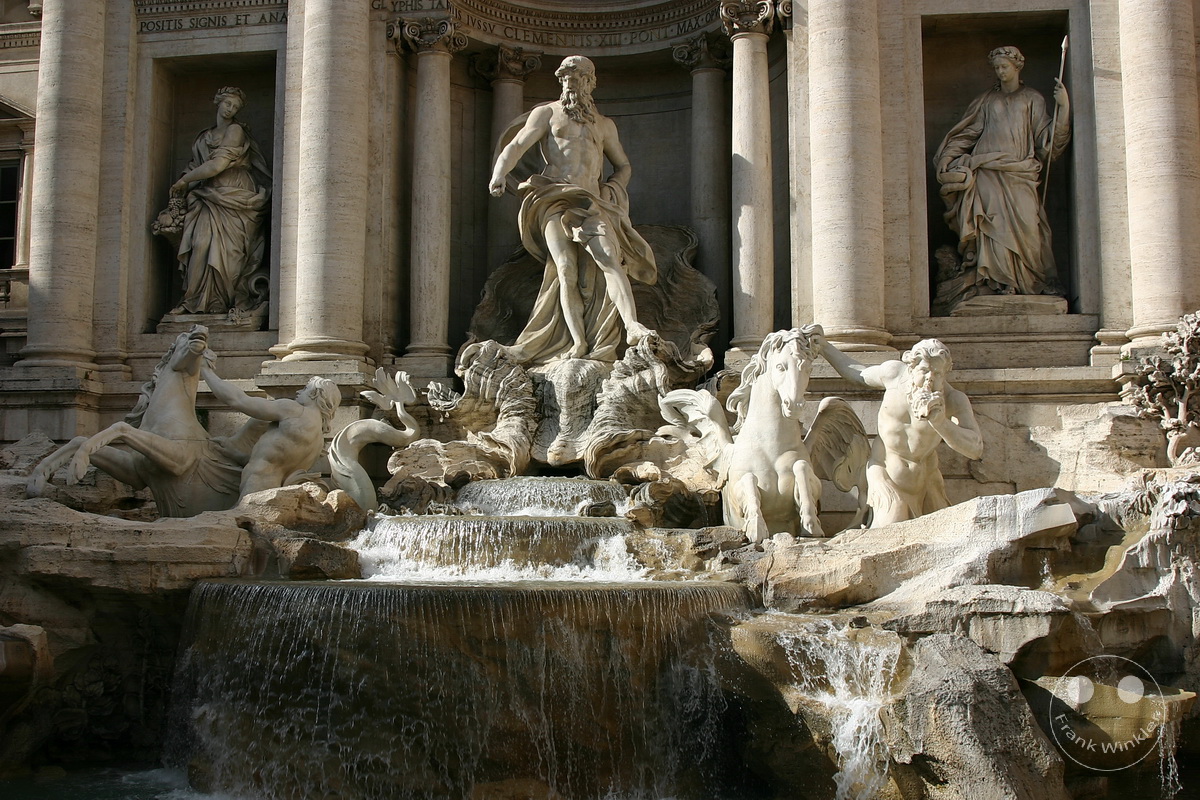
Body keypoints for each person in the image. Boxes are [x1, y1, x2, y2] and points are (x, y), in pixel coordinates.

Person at [488, 55, 657, 365]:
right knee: (564, 268)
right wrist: (499, 173)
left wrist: (612, 188)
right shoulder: (546, 114)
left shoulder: (604, 125)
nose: (570, 83)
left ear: (590, 82)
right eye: (565, 77)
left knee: (609, 259)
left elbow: (623, 165)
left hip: (591, 201)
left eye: (577, 77)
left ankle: (632, 326)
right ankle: (578, 342)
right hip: (553, 197)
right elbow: (517, 145)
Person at [934, 46, 1070, 300]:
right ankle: (997, 281)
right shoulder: (986, 100)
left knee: (1029, 227)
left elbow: (1047, 141)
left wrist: (1063, 108)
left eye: (1004, 67)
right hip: (986, 170)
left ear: (1017, 67)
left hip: (1019, 172)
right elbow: (968, 134)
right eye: (996, 68)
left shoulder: (1032, 99)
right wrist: (947, 156)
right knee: (991, 225)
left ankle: (1030, 280)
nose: (1000, 72)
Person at [816, 337, 983, 527]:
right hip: (885, 474)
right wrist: (824, 347)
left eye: (937, 373)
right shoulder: (894, 374)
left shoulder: (953, 399)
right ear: (911, 367)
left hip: (926, 482)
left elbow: (975, 448)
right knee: (889, 532)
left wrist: (940, 423)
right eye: (924, 370)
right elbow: (858, 373)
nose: (930, 378)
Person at [169, 86, 272, 315]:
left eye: (235, 107)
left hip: (235, 195)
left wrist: (184, 181)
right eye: (227, 103)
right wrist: (185, 185)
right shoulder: (203, 137)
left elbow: (217, 165)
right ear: (218, 102)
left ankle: (221, 303)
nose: (230, 109)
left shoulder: (236, 131)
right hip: (208, 195)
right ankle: (194, 300)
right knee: (200, 244)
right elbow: (197, 166)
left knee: (230, 253)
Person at [200, 367, 341, 497]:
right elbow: (272, 462)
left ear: (315, 393)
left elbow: (237, 400)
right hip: (271, 493)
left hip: (255, 491)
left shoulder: (294, 410)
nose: (298, 392)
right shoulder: (318, 443)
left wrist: (206, 370)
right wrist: (235, 454)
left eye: (305, 388)